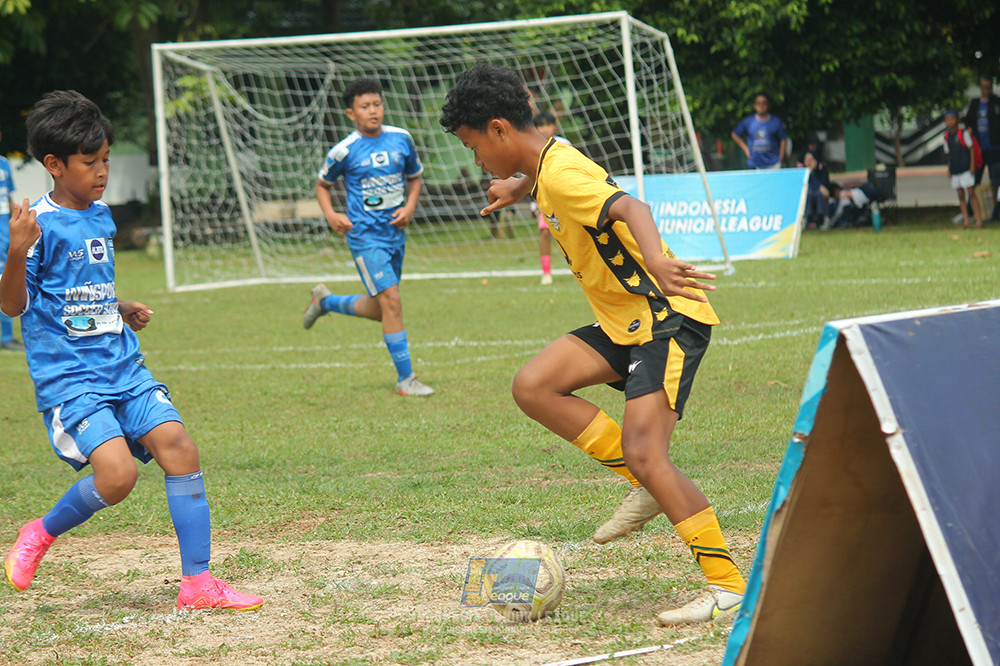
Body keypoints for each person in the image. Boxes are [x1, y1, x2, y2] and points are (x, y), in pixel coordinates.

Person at [440, 63, 746, 625]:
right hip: (624, 321)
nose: (477, 160)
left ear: (500, 129)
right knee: (535, 385)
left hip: (664, 317)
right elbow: (547, 172)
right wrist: (518, 186)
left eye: (474, 145)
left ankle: (727, 586)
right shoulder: (547, 159)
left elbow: (632, 206)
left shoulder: (559, 175)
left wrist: (655, 257)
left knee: (648, 452)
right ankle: (644, 482)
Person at [1, 91, 263, 612]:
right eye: (89, 162)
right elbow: (12, 305)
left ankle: (198, 584)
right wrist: (15, 248)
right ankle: (39, 532)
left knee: (179, 446)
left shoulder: (100, 216)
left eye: (105, 160)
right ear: (54, 165)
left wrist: (117, 307)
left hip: (123, 364)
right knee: (117, 478)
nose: (101, 171)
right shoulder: (34, 226)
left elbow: (79, 287)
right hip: (71, 378)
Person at [304, 77, 433, 397]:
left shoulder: (402, 139)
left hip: (395, 234)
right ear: (351, 113)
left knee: (381, 309)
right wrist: (332, 215)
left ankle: (326, 301)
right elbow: (322, 185)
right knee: (392, 302)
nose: (373, 111)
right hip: (364, 237)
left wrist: (409, 207)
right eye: (365, 106)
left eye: (377, 104)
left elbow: (414, 179)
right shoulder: (343, 151)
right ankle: (406, 379)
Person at [531, 111, 571, 285]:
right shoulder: (532, 146)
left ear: (554, 126)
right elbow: (531, 176)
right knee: (545, 231)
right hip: (544, 197)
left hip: (565, 195)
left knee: (573, 233)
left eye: (548, 125)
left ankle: (579, 267)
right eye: (541, 125)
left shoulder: (564, 144)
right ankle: (546, 272)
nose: (545, 129)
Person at [0, 124, 25, 351]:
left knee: (5, 278)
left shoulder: (4, 164)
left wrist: (11, 227)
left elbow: (9, 197)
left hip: (3, 230)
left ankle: (6, 337)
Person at [963, 74, 1000, 221]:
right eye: (984, 87)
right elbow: (967, 121)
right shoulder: (975, 103)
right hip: (979, 150)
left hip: (995, 150)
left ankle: (995, 213)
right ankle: (971, 211)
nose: (986, 90)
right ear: (980, 88)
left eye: (989, 87)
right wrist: (970, 129)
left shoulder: (997, 102)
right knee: (974, 181)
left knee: (996, 181)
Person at [943, 110, 984, 228]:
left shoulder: (963, 133)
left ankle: (978, 220)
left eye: (952, 119)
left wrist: (972, 166)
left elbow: (971, 149)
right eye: (947, 119)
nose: (950, 122)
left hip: (966, 167)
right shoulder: (946, 136)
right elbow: (949, 154)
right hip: (955, 168)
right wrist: (949, 169)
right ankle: (966, 220)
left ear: (957, 120)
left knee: (971, 193)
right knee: (960, 195)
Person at [731, 92, 787, 169]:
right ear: (755, 106)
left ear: (769, 105)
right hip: (754, 164)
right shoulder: (748, 121)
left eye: (764, 103)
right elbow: (735, 134)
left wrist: (780, 157)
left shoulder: (776, 121)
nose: (761, 105)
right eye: (758, 103)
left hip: (773, 164)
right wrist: (746, 149)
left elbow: (783, 139)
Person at [801, 150, 832, 229]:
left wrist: (814, 176)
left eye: (810, 160)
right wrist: (810, 172)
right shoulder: (804, 173)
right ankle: (806, 219)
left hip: (821, 196)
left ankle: (825, 219)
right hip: (810, 194)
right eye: (806, 160)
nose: (808, 163)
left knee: (819, 194)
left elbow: (825, 189)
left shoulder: (823, 171)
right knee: (809, 193)